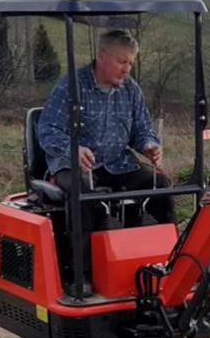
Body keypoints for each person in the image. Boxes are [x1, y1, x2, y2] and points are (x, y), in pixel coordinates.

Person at [38, 28, 176, 244]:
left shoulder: (131, 90)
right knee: (83, 193)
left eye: (130, 63)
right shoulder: (71, 87)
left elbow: (141, 130)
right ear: (101, 57)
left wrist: (149, 144)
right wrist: (72, 149)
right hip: (74, 165)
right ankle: (83, 269)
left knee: (160, 184)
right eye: (121, 61)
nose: (126, 69)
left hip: (118, 163)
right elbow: (47, 130)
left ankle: (166, 259)